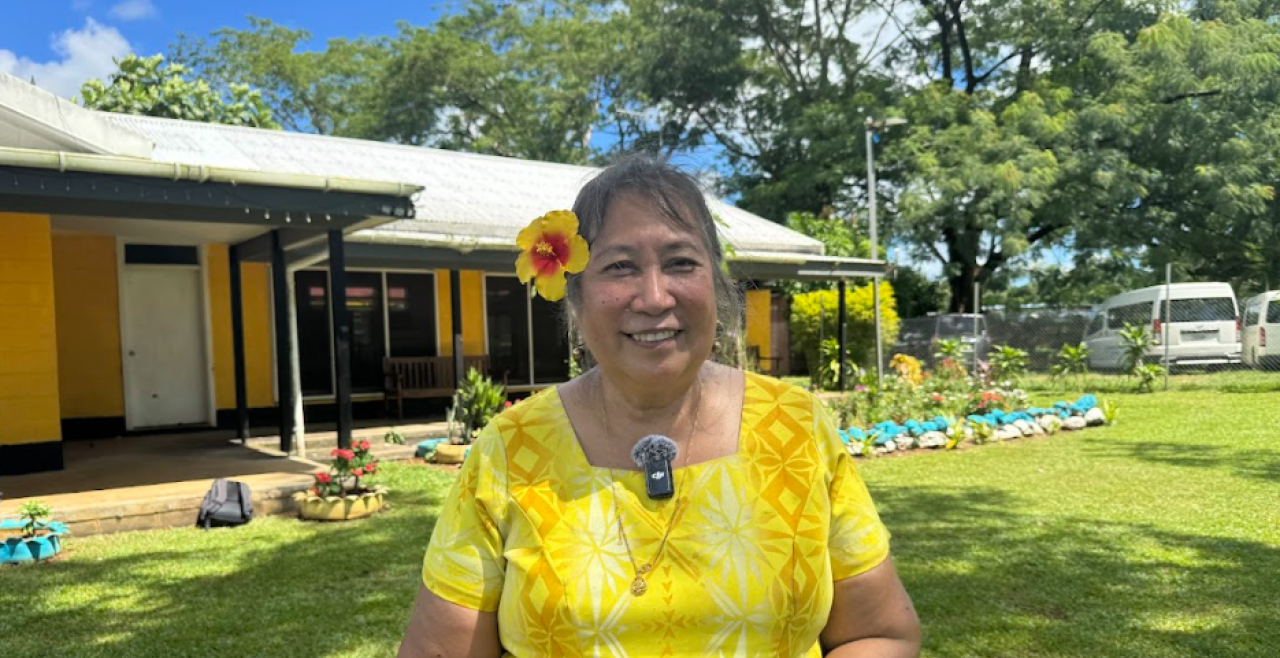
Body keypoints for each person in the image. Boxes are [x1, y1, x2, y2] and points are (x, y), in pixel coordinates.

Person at [398, 157, 920, 657]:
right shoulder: (511, 452)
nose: (653, 296)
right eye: (620, 266)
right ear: (576, 299)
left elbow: (880, 634)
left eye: (681, 262)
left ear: (715, 284)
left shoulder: (796, 427)